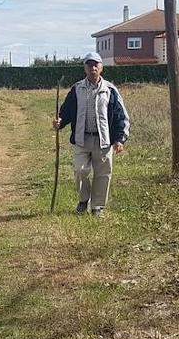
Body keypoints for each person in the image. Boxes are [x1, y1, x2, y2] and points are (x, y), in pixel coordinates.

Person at [53, 52, 129, 217]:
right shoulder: (77, 89)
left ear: (101, 68)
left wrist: (119, 139)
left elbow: (120, 116)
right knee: (80, 170)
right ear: (85, 68)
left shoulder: (110, 90)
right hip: (82, 138)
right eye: (89, 65)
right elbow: (66, 111)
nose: (93, 68)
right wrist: (60, 122)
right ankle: (83, 200)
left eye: (96, 65)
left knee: (102, 174)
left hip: (103, 140)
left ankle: (97, 207)